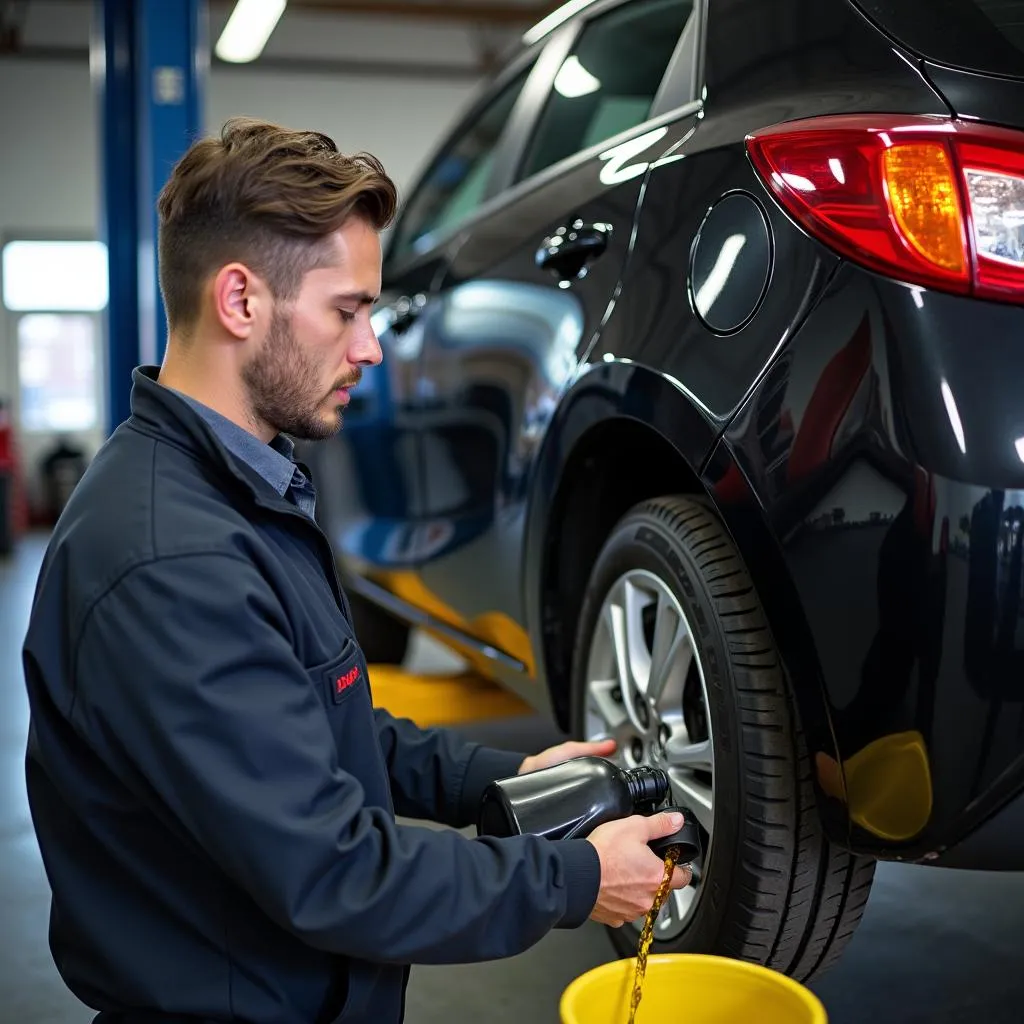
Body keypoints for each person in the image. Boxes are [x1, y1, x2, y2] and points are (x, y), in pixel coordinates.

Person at [22, 118, 691, 1024]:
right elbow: (336, 874)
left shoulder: (237, 489)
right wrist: (575, 878)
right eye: (348, 310)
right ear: (241, 301)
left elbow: (326, 731)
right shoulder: (168, 561)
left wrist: (502, 776)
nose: (372, 347)